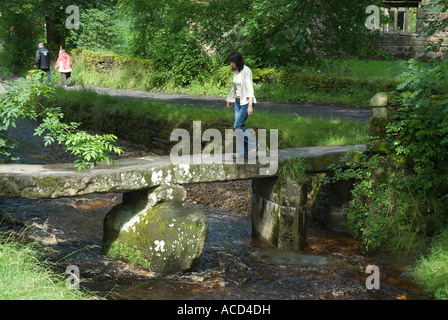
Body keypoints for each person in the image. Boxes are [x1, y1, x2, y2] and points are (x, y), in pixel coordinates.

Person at [226, 51, 257, 159]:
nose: (231, 64)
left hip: (245, 103)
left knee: (237, 126)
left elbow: (250, 88)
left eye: (232, 62)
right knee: (239, 128)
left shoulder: (246, 71)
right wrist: (230, 99)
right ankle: (242, 153)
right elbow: (234, 86)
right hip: (237, 102)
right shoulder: (235, 71)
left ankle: (253, 143)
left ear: (237, 61)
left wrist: (250, 105)